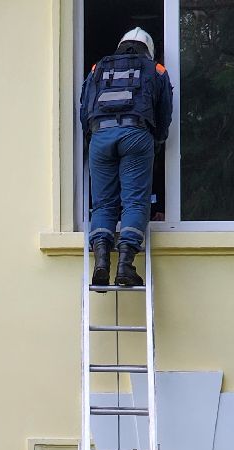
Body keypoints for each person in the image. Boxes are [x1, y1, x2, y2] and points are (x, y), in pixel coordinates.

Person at [79, 27, 174, 289]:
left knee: (103, 204)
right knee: (134, 202)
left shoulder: (98, 67)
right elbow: (165, 111)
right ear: (148, 48)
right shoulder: (156, 69)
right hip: (136, 134)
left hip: (100, 138)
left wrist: (93, 138)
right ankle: (125, 266)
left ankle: (101, 263)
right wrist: (157, 140)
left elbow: (84, 107)